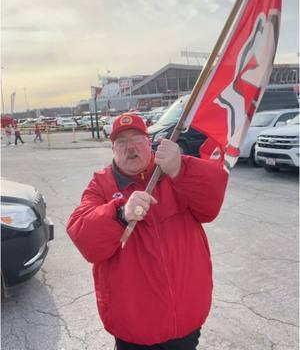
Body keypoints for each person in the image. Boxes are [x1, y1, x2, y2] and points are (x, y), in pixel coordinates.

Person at [67, 114, 228, 349]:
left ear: (149, 142)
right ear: (113, 148)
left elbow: (210, 207)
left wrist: (182, 169)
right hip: (133, 325)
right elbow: (84, 238)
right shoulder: (101, 185)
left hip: (184, 317)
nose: (130, 147)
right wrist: (121, 213)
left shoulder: (174, 168)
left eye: (136, 139)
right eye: (121, 141)